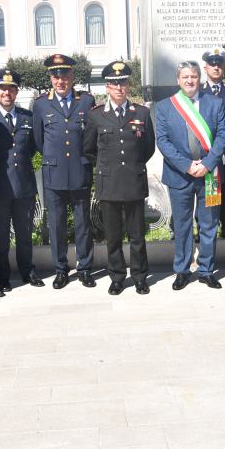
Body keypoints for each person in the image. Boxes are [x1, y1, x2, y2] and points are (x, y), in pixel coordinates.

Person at [156, 60, 225, 290]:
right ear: (178, 80)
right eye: (185, 76)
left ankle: (207, 270)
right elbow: (163, 141)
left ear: (200, 78)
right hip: (180, 176)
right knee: (182, 225)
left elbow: (223, 137)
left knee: (209, 224)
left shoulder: (215, 103)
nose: (190, 80)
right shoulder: (165, 106)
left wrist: (207, 164)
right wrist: (187, 165)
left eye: (194, 76)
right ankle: (183, 270)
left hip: (210, 175)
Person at [83, 61, 155, 295]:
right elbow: (88, 149)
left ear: (128, 84)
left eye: (122, 82)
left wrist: (132, 166)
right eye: (114, 84)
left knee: (137, 235)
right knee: (112, 236)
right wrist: (107, 168)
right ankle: (116, 277)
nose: (119, 88)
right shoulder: (96, 116)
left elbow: (148, 147)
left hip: (134, 181)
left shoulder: (141, 112)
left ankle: (140, 276)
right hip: (109, 183)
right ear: (107, 87)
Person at [31, 54, 96, 289]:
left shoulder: (86, 101)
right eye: (56, 76)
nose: (61, 81)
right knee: (56, 226)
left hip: (80, 171)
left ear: (72, 77)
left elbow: (90, 137)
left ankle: (85, 268)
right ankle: (61, 270)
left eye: (65, 75)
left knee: (83, 223)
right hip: (54, 174)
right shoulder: (40, 104)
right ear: (50, 78)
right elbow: (39, 140)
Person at [0, 69, 44, 291]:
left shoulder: (28, 117)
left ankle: (28, 271)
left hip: (24, 186)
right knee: (0, 236)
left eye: (11, 88)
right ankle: (2, 275)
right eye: (2, 89)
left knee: (25, 233)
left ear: (16, 92)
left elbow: (34, 148)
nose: (7, 93)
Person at [201, 47, 225, 242]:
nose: (216, 67)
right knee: (208, 190)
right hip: (207, 151)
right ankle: (205, 227)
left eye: (220, 64)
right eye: (212, 64)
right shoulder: (198, 92)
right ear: (205, 67)